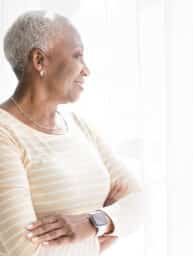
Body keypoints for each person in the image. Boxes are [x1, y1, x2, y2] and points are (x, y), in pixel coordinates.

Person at [0, 10, 144, 256]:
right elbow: (25, 250)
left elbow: (139, 203)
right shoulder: (5, 133)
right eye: (78, 56)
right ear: (39, 60)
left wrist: (92, 223)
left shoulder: (79, 126)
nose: (86, 70)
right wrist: (111, 226)